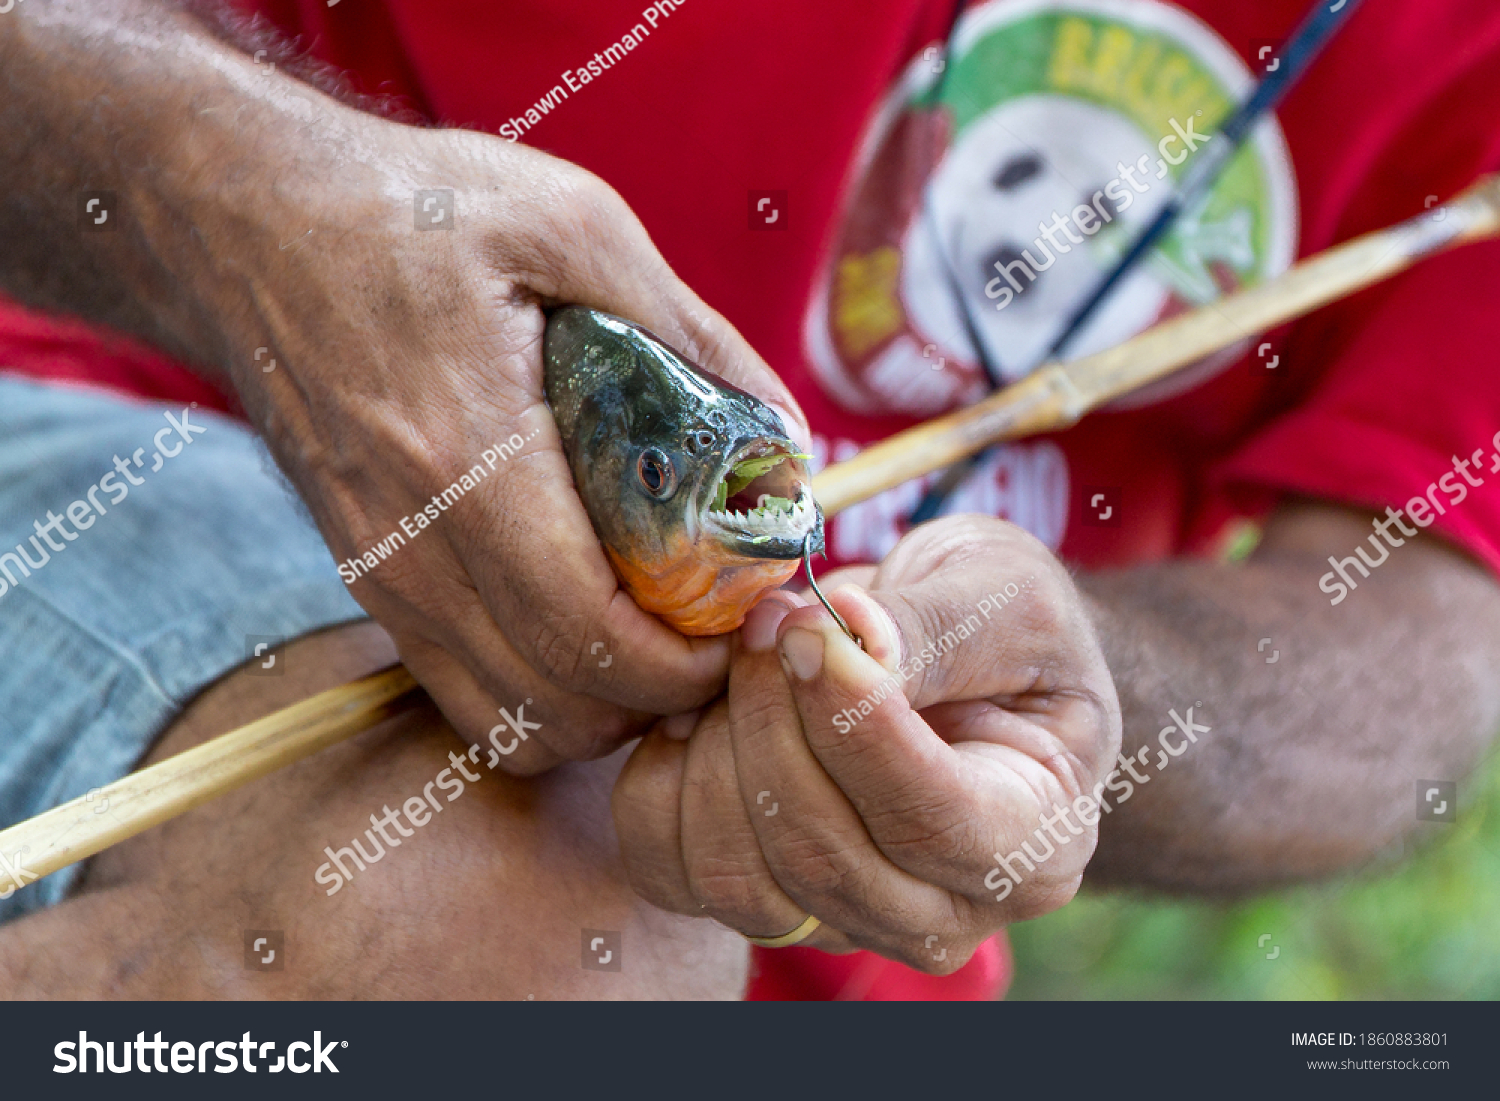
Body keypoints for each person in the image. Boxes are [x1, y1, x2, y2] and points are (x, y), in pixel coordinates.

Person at [1, 0, 1498, 1001]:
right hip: (109, 430)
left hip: (787, 955)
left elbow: (1427, 616)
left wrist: (1088, 687)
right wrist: (235, 193)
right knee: (520, 927)